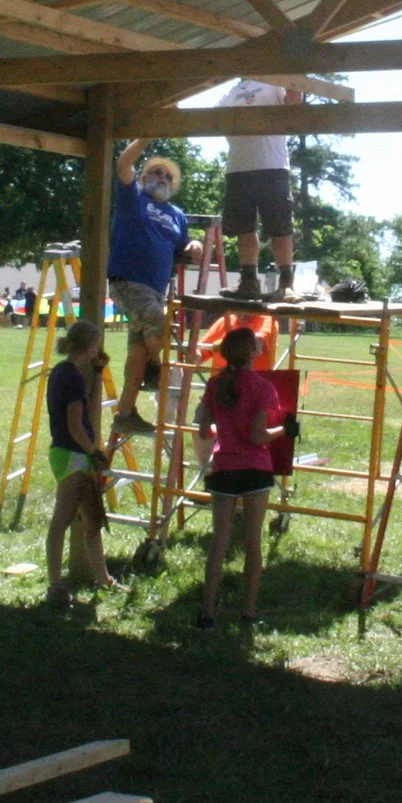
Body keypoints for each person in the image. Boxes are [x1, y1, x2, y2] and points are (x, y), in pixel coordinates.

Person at [194, 325, 289, 630]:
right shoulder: (263, 388)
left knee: (218, 543)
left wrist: (226, 432)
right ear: (251, 353)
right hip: (255, 470)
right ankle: (248, 612)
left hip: (224, 467)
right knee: (252, 542)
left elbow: (202, 430)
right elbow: (258, 435)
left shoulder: (215, 385)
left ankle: (207, 612)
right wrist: (285, 430)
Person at [109, 139, 201, 438]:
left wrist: (192, 243)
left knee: (138, 352)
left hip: (155, 290)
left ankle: (125, 414)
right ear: (143, 178)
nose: (162, 178)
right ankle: (158, 370)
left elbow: (180, 246)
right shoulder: (133, 197)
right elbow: (122, 164)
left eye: (167, 176)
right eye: (156, 173)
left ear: (173, 186)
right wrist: (144, 138)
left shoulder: (177, 215)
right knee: (160, 324)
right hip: (128, 281)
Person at [43, 320, 121, 607]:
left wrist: (97, 373)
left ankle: (105, 579)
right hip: (73, 455)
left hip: (72, 453)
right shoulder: (73, 378)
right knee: (62, 521)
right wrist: (94, 453)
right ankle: (55, 585)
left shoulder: (64, 371)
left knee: (93, 520)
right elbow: (76, 425)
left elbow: (83, 402)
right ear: (91, 346)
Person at [218, 78, 301, 301]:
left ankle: (286, 285)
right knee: (244, 229)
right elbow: (214, 122)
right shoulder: (230, 93)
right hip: (238, 168)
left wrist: (294, 74)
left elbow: (294, 103)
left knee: (280, 227)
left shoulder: (274, 82)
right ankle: (248, 282)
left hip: (272, 165)